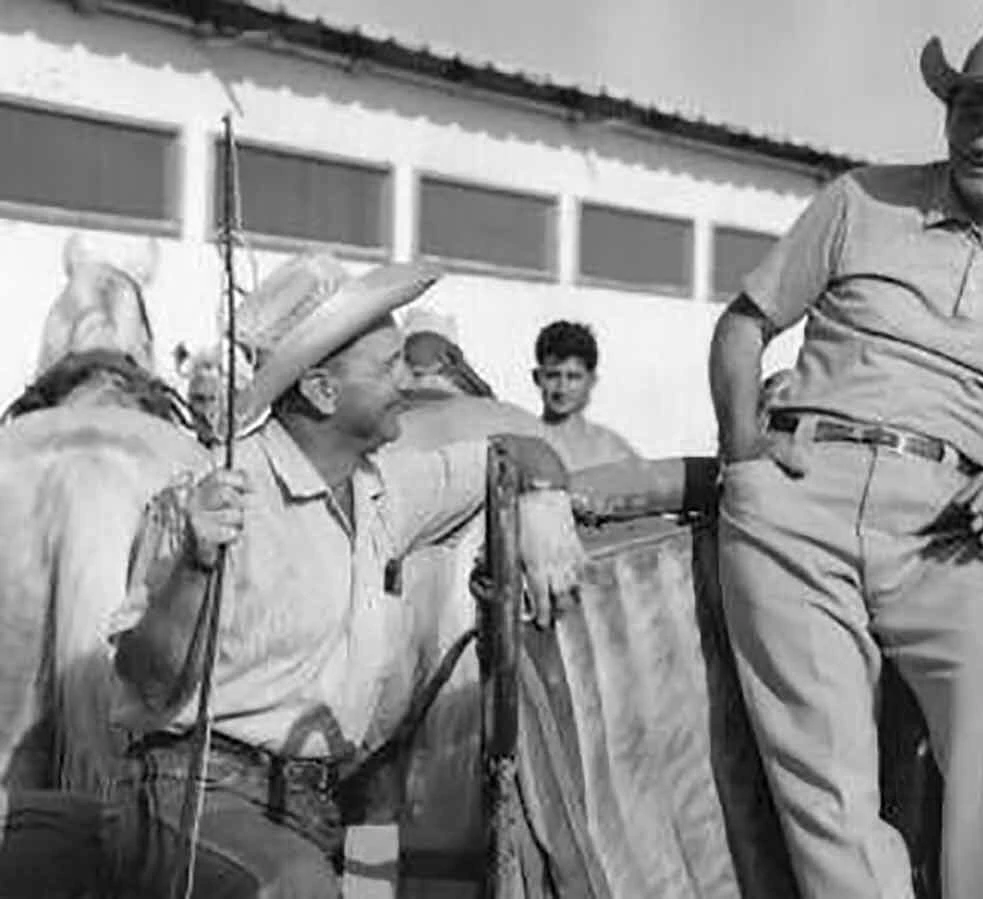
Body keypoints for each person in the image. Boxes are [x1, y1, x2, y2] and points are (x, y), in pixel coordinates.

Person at [708, 13, 983, 898]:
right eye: (970, 110)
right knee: (828, 799)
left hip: (951, 531)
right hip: (799, 508)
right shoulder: (860, 200)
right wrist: (745, 459)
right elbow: (744, 328)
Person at [104, 252, 567, 898]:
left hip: (322, 806)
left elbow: (513, 449)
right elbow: (146, 677)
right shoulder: (207, 497)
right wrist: (194, 561)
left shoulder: (385, 493)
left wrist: (542, 496)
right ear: (322, 390)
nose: (408, 380)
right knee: (303, 888)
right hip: (192, 795)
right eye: (386, 367)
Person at [530, 320, 639, 469]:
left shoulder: (613, 452)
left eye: (573, 377)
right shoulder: (522, 443)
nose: (562, 388)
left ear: (591, 381)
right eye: (553, 375)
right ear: (537, 378)